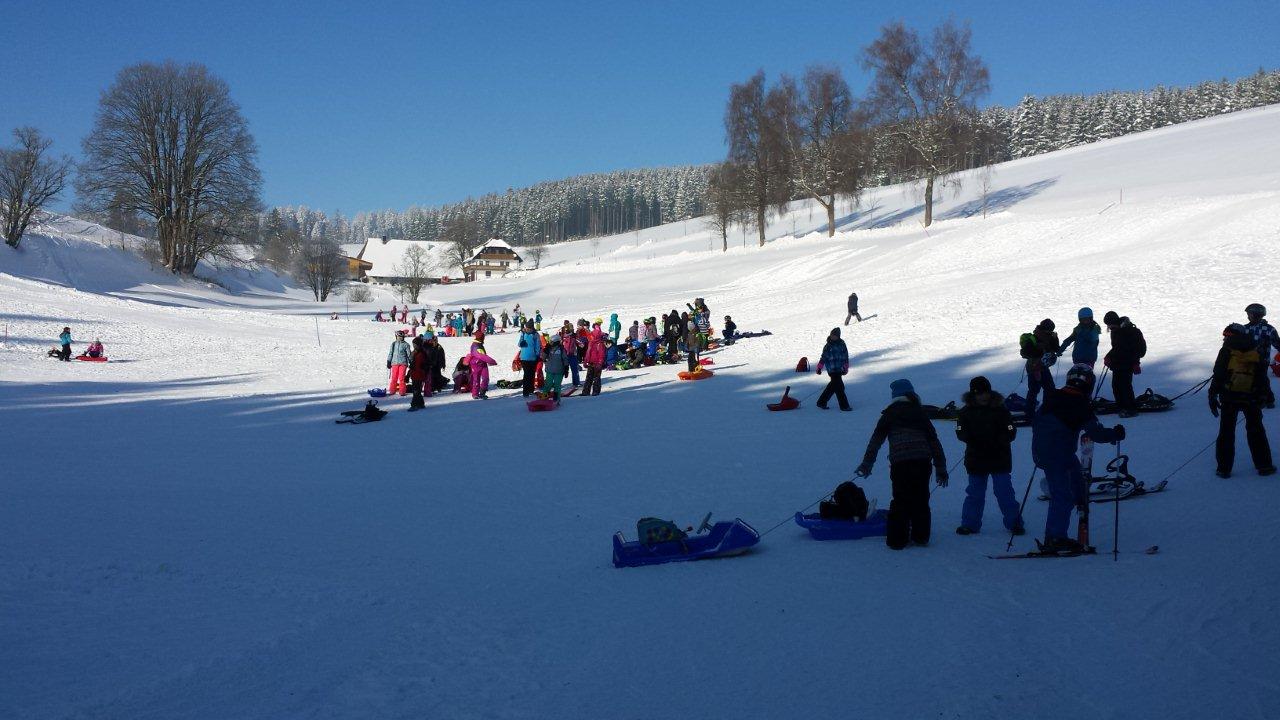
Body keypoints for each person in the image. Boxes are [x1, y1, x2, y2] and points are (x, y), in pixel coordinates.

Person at [1032, 364, 1124, 552]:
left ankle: (1080, 501)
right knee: (1062, 496)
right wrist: (1114, 434)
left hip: (1049, 451)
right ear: (1088, 384)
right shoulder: (1080, 404)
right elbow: (1095, 434)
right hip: (1055, 455)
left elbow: (1037, 419)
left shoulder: (1053, 396)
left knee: (1076, 480)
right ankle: (1055, 538)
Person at [856, 379, 949, 550]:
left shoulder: (889, 414)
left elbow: (875, 441)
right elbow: (934, 441)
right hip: (922, 461)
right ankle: (921, 537)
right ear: (911, 394)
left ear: (894, 397)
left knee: (900, 499)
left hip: (901, 463)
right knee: (921, 498)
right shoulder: (919, 413)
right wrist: (941, 468)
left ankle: (897, 540)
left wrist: (867, 463)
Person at [955, 376, 1024, 535]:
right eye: (979, 393)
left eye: (985, 392)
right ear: (973, 394)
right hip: (976, 459)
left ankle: (1014, 523)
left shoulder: (1001, 410)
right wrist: (970, 438)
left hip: (999, 458)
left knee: (1004, 492)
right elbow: (959, 431)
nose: (983, 396)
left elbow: (1010, 429)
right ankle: (970, 524)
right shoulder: (965, 412)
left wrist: (1001, 438)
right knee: (975, 493)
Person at [1209, 324, 1275, 477]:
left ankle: (1223, 469)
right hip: (1251, 397)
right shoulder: (1255, 348)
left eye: (1226, 334)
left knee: (1226, 432)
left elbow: (1218, 375)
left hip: (1229, 396)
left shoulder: (1226, 350)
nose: (1224, 336)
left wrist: (1212, 396)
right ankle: (1264, 466)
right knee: (1256, 430)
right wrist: (1267, 396)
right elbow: (1262, 375)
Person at [1103, 311, 1147, 417]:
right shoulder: (1115, 331)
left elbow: (1137, 350)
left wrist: (1136, 363)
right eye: (1108, 326)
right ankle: (1122, 407)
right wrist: (1108, 356)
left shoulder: (1131, 331)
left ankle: (1131, 408)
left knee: (1125, 386)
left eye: (1111, 325)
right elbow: (1116, 348)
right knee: (1116, 386)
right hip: (1118, 364)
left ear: (1116, 322)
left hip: (1128, 363)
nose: (1110, 327)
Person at [1243, 303, 1280, 408]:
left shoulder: (1269, 329)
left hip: (1262, 360)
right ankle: (1255, 397)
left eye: (1249, 314)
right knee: (1251, 379)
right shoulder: (1245, 329)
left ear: (1257, 314)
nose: (1248, 316)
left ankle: (1268, 399)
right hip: (1247, 359)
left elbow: (1277, 343)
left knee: (1261, 379)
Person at [1020, 319, 1059, 415]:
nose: (1051, 332)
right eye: (1049, 330)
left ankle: (1047, 409)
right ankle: (1030, 412)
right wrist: (1037, 352)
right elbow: (1024, 352)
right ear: (1044, 329)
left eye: (1052, 330)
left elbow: (1055, 348)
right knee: (1034, 389)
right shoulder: (1033, 338)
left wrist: (1055, 339)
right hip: (1033, 367)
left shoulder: (1049, 336)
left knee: (1049, 388)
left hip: (1043, 367)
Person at [815, 328, 851, 411]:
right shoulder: (828, 346)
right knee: (839, 387)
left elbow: (845, 355)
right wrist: (819, 367)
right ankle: (844, 406)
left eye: (834, 336)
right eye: (832, 335)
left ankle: (821, 402)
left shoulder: (842, 344)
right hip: (832, 369)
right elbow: (823, 357)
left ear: (838, 336)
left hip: (840, 369)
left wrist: (846, 366)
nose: (832, 337)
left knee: (833, 386)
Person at [542, 335, 568, 404]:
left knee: (557, 385)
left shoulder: (561, 349)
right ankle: (544, 397)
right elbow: (543, 358)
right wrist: (545, 351)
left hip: (559, 370)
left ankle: (556, 398)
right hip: (550, 370)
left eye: (551, 342)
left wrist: (566, 368)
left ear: (556, 342)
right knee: (548, 384)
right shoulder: (548, 349)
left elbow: (565, 359)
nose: (550, 343)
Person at [408, 336, 431, 411]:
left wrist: (424, 369)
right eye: (413, 344)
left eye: (415, 345)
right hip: (414, 374)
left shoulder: (423, 353)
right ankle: (421, 404)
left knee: (416, 390)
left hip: (420, 375)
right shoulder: (414, 353)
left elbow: (427, 364)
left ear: (419, 345)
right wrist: (407, 375)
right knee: (416, 390)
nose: (414, 346)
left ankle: (414, 405)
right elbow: (411, 365)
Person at [583, 320, 607, 396]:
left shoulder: (600, 344)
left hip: (597, 363)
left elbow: (601, 354)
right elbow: (588, 353)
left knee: (596, 378)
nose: (591, 337)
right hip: (590, 362)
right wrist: (585, 361)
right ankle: (586, 391)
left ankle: (596, 391)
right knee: (588, 377)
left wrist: (600, 362)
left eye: (592, 336)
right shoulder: (591, 343)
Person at [518, 322, 541, 397]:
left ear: (531, 327)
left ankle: (530, 390)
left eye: (529, 328)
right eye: (526, 327)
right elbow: (519, 344)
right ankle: (526, 391)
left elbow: (538, 345)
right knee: (527, 374)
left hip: (532, 357)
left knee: (531, 374)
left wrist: (537, 355)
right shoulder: (523, 333)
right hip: (524, 358)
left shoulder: (535, 334)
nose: (527, 329)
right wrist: (521, 343)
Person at [386, 330, 411, 396]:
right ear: (396, 336)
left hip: (403, 363)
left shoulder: (406, 345)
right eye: (398, 336)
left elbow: (409, 354)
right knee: (394, 377)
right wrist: (388, 361)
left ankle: (402, 391)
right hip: (394, 363)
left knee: (401, 378)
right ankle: (392, 391)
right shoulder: (393, 344)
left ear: (403, 337)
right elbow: (391, 353)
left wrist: (411, 361)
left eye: (401, 336)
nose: (400, 338)